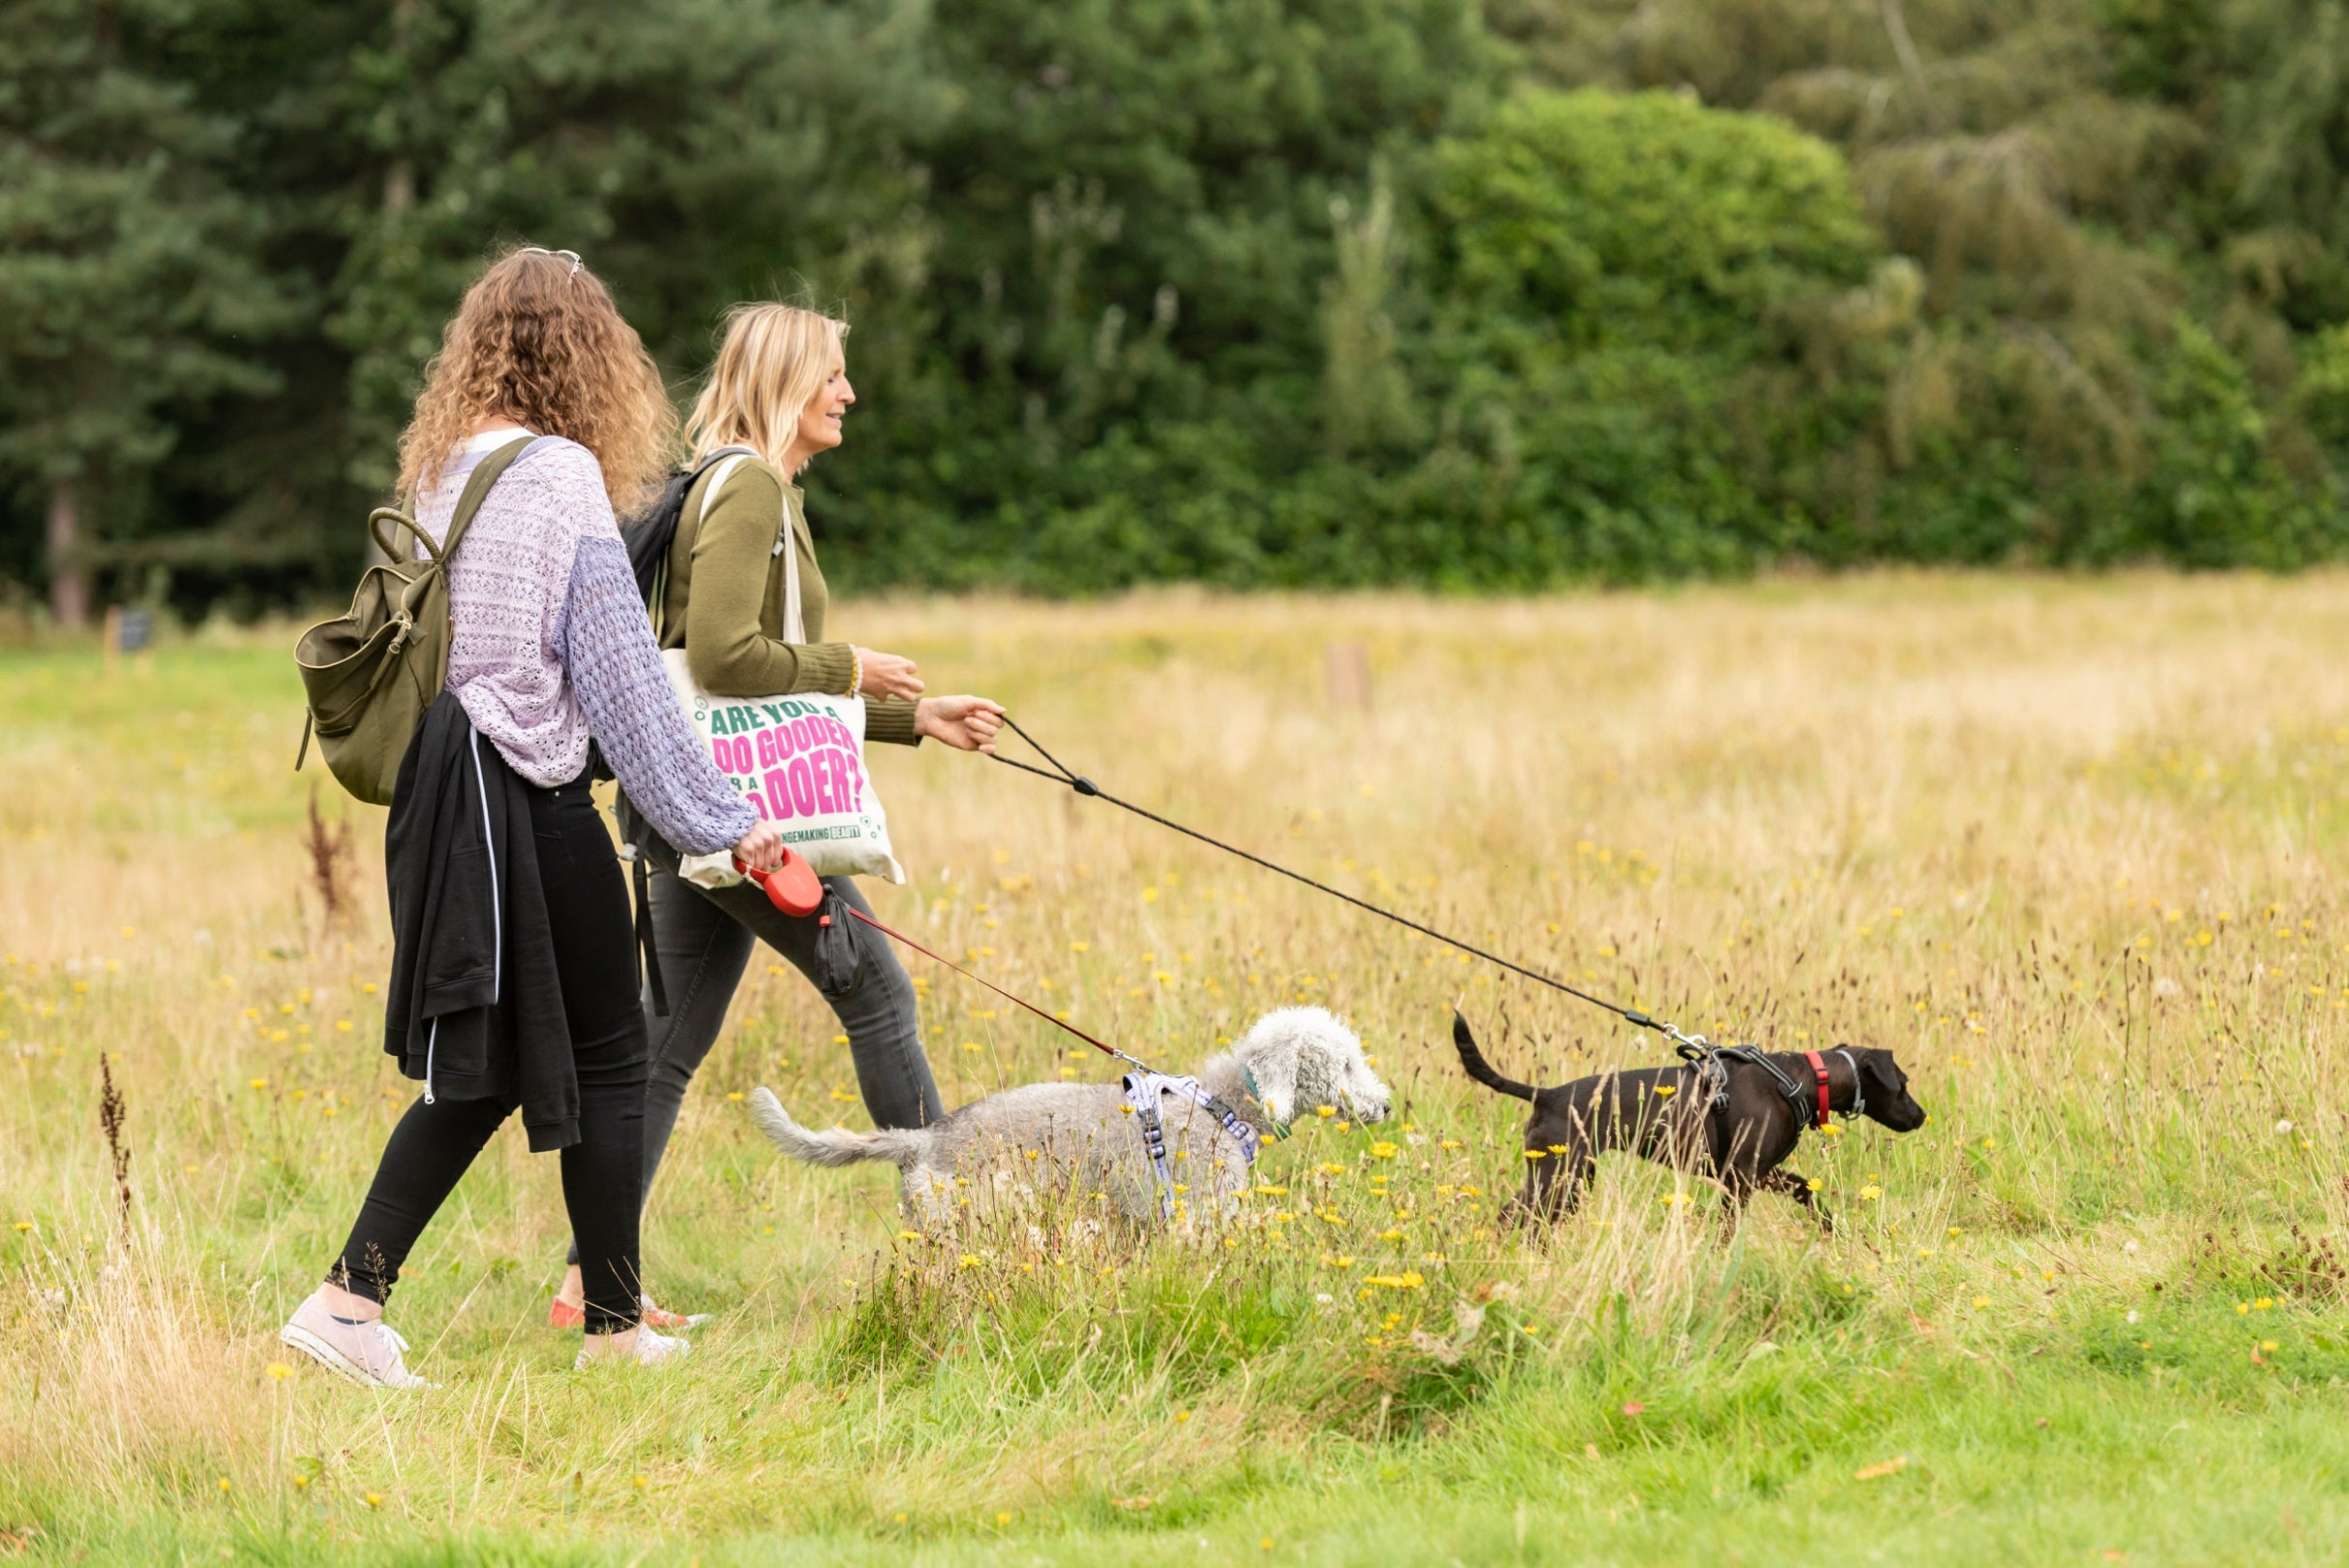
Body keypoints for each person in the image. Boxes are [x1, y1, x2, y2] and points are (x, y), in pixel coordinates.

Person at [279, 246, 785, 1387]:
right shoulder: (556, 477)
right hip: (526, 798)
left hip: (439, 798)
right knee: (610, 1053)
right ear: (588, 356)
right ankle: (608, 1329)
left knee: (490, 1065)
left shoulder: (441, 471)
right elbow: (619, 679)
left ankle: (350, 1304)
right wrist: (725, 819)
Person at [549, 302, 1003, 1327]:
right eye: (832, 375)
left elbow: (769, 707)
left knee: (664, 1048)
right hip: (743, 820)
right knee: (879, 1001)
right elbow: (721, 661)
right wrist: (856, 670)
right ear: (787, 383)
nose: (848, 393)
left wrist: (912, 716)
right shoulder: (749, 485)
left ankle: (590, 1284)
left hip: (698, 805)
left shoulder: (744, 483)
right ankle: (964, 1248)